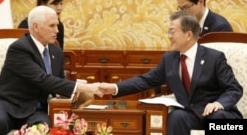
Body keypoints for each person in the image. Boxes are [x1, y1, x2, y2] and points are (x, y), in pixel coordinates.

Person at [99, 11, 243, 135]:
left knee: (217, 118)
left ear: (188, 35)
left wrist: (219, 103)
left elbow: (234, 89)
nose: (169, 36)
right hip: (190, 115)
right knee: (176, 116)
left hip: (217, 114)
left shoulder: (214, 57)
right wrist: (115, 87)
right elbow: (145, 80)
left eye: (172, 32)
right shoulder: (169, 60)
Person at [0, 6, 103, 135]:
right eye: (52, 26)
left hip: (35, 110)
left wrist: (79, 96)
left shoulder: (56, 52)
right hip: (9, 106)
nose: (57, 30)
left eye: (57, 25)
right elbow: (43, 80)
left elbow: (57, 84)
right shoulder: (19, 48)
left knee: (43, 128)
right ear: (36, 27)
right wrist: (87, 88)